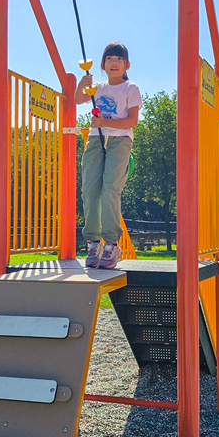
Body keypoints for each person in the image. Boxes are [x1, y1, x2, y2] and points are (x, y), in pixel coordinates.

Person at [74, 42, 142, 268]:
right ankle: (93, 243)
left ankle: (112, 243)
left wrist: (105, 122)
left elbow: (132, 121)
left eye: (119, 59)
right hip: (96, 139)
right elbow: (78, 99)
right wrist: (82, 85)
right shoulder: (98, 88)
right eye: (110, 59)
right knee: (89, 189)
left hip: (120, 140)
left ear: (127, 65)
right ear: (102, 65)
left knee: (111, 188)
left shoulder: (130, 88)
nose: (114, 63)